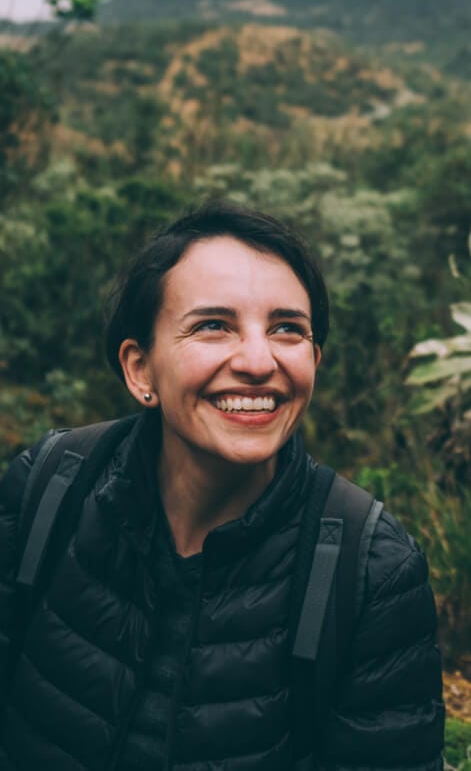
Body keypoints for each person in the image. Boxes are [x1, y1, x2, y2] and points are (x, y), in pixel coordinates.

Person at [0, 201, 444, 770]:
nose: (258, 361)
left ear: (314, 360)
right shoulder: (48, 488)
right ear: (140, 369)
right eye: (213, 325)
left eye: (287, 329)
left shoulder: (371, 572)